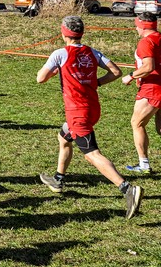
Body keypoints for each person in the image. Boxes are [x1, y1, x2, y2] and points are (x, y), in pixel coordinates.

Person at [37, 15, 143, 219]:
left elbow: (40, 78)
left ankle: (127, 189)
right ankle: (58, 179)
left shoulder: (60, 54)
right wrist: (97, 83)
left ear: (63, 33)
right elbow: (116, 71)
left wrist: (56, 71)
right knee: (63, 138)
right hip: (92, 107)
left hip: (77, 111)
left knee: (91, 154)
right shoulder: (92, 52)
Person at [122, 13, 161, 173]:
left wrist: (130, 76)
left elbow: (148, 66)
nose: (135, 28)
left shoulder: (146, 42)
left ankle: (144, 164)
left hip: (152, 87)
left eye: (136, 25)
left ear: (143, 26)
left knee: (137, 123)